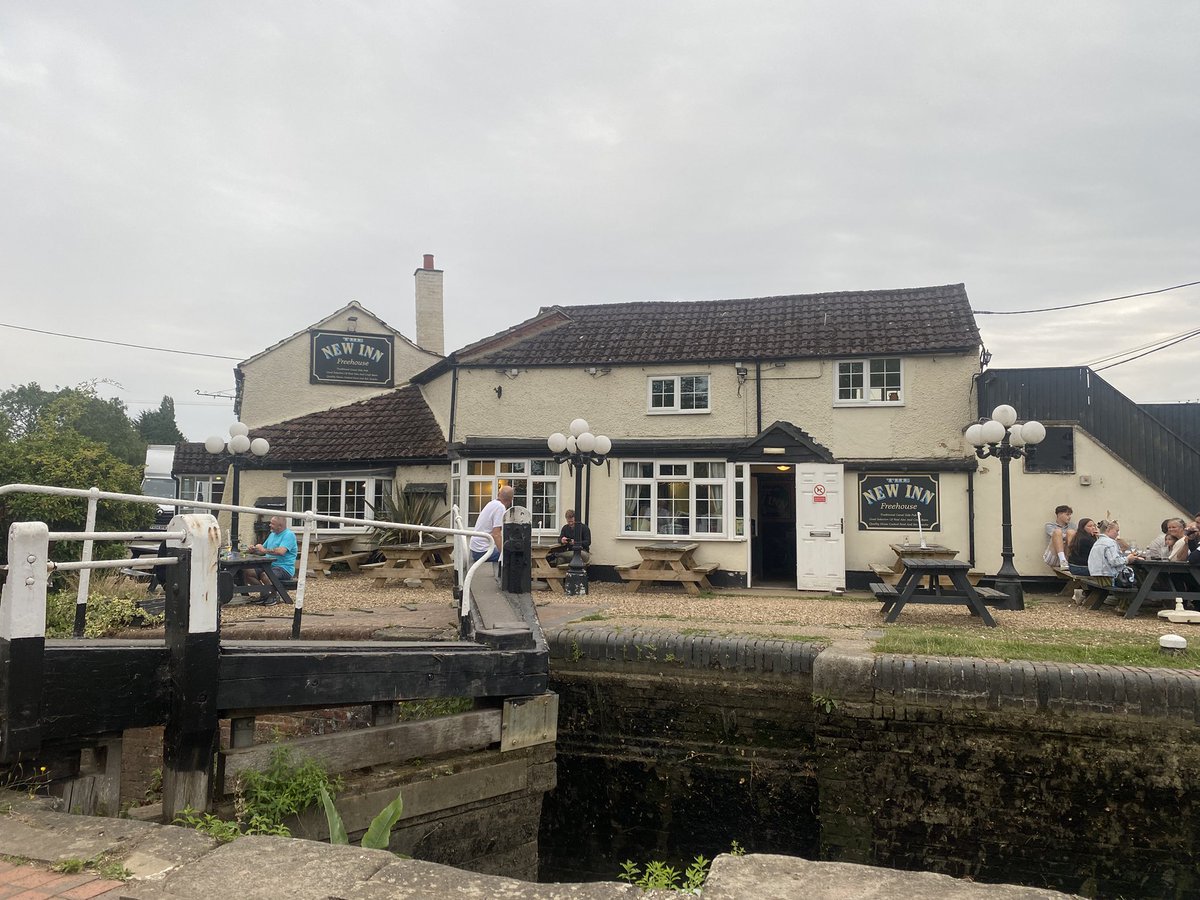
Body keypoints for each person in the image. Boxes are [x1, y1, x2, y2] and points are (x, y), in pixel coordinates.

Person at [243, 516, 298, 603]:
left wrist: (263, 550)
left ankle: (274, 595)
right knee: (248, 572)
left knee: (265, 574)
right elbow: (262, 550)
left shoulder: (289, 535)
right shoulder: (272, 534)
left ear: (280, 526)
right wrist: (253, 550)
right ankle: (264, 593)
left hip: (284, 568)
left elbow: (281, 551)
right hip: (267, 565)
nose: (269, 525)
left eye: (272, 524)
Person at [470, 485, 513, 563]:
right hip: (482, 551)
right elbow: (496, 534)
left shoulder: (491, 503)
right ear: (510, 500)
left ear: (498, 494)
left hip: (475, 548)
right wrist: (503, 555)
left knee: (509, 551)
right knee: (514, 555)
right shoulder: (500, 508)